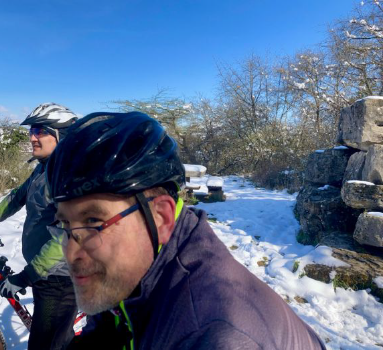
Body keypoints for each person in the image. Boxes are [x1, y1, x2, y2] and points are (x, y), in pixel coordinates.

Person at [48, 111, 323, 349]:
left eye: (94, 222)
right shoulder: (142, 267)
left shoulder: (215, 335)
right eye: (64, 224)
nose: (71, 252)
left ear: (161, 218)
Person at [0, 102, 79, 350]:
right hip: (44, 273)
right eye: (32, 130)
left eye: (40, 130)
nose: (32, 136)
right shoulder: (44, 169)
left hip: (60, 280)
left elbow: (67, 237)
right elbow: (17, 198)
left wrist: (26, 276)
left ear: (62, 136)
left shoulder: (68, 178)